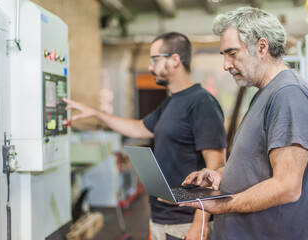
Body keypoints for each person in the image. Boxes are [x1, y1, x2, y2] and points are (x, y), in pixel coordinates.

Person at [63, 32, 227, 240]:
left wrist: (200, 224)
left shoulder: (202, 103)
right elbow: (139, 128)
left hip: (183, 224)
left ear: (175, 60)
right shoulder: (170, 103)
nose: (150, 67)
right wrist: (96, 114)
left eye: (155, 60)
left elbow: (215, 167)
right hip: (161, 219)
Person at [180, 7, 308, 240]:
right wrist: (219, 174)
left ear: (262, 47)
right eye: (224, 55)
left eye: (232, 53)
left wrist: (221, 205)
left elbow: (287, 186)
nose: (226, 65)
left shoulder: (289, 94)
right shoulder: (265, 93)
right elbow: (257, 167)